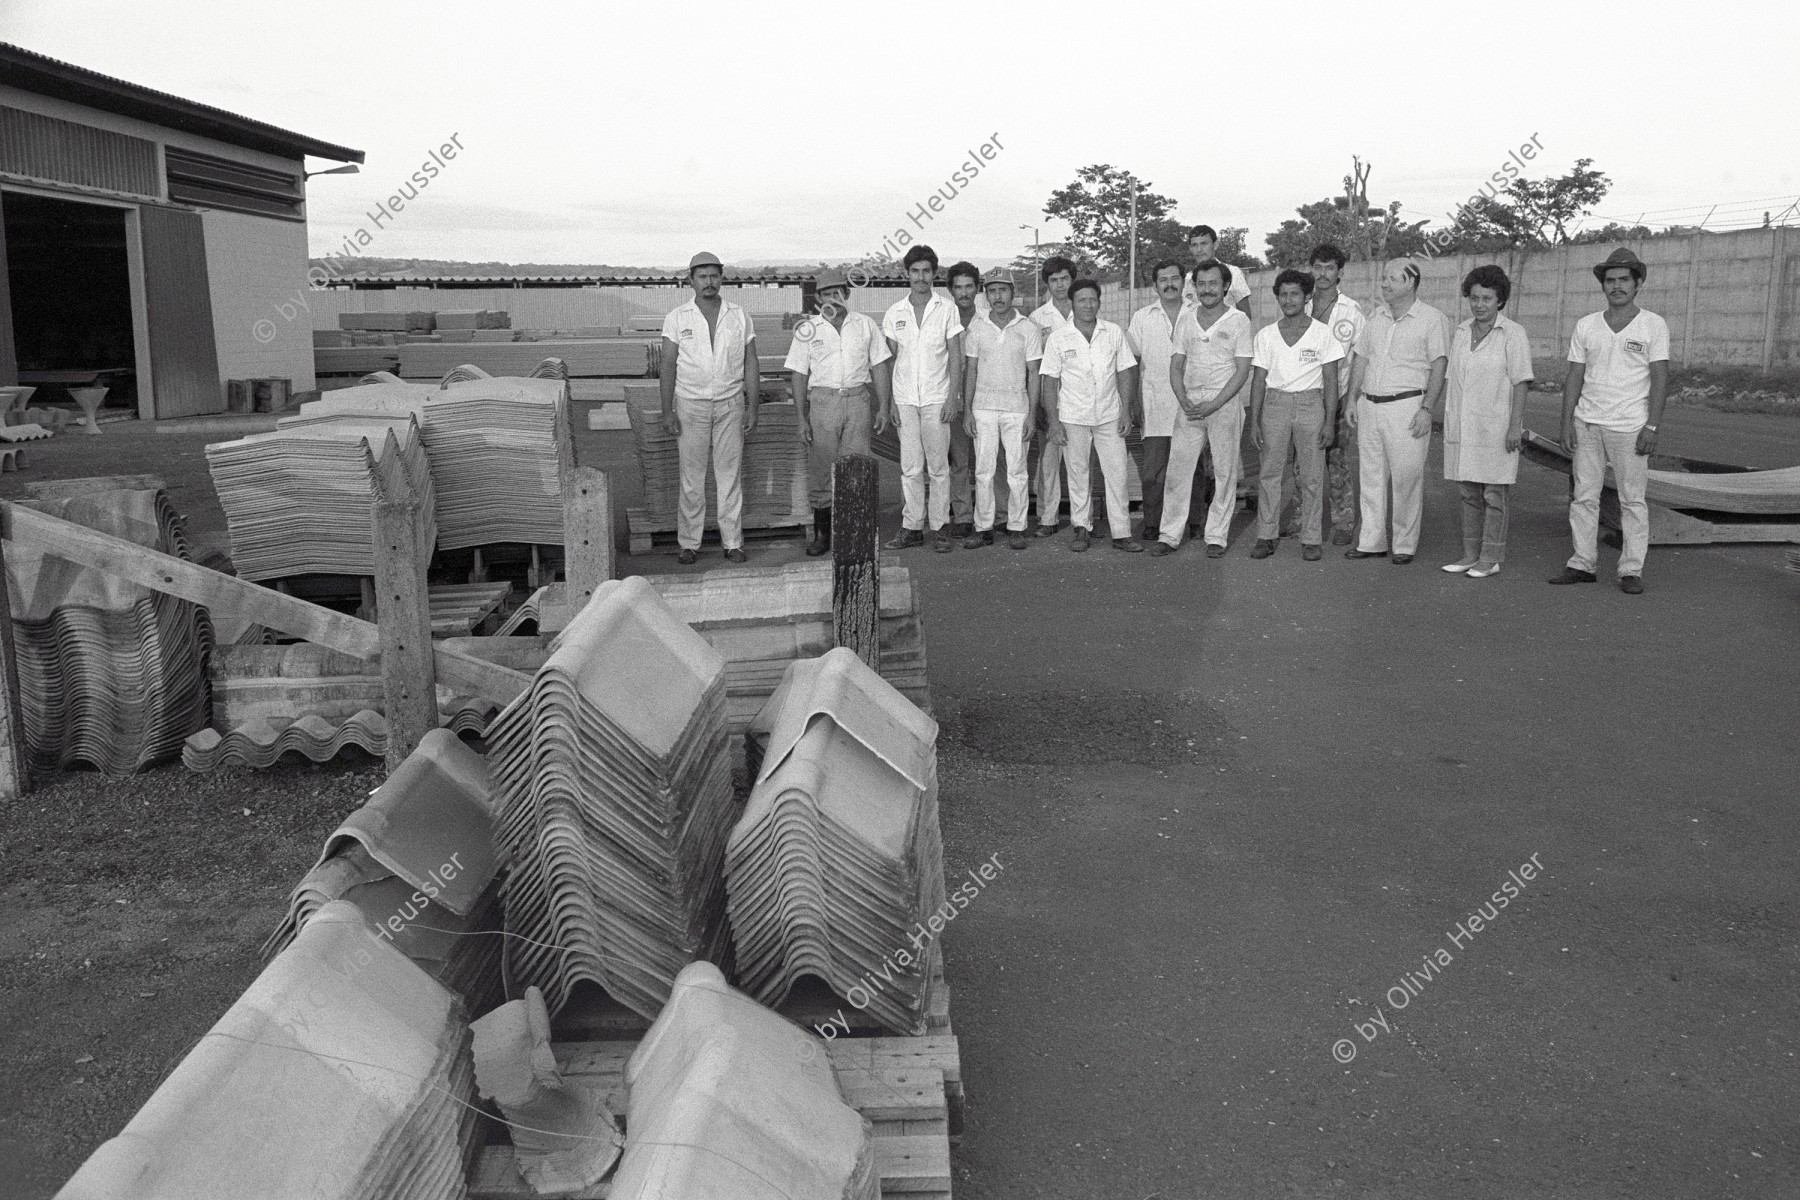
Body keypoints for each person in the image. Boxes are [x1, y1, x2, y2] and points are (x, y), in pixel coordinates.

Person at [1550, 247, 1669, 594]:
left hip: (1630, 426)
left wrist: (1652, 426)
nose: (1616, 286)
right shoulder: (1586, 325)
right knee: (1584, 497)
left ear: (1638, 283)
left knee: (1633, 500)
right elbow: (1574, 376)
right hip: (1588, 424)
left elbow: (1660, 378)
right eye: (1610, 280)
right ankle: (1582, 563)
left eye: (1624, 280)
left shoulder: (1652, 325)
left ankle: (1631, 570)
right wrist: (1566, 422)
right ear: (1603, 285)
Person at [1345, 260, 1448, 565]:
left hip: (1407, 406)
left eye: (1392, 278)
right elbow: (1361, 359)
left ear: (1411, 281)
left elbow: (1439, 365)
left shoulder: (1432, 319)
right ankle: (1371, 541)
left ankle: (1404, 544)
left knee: (1406, 478)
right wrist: (1352, 400)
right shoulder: (1375, 317)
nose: (1385, 284)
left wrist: (1427, 409)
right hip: (1370, 406)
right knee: (1371, 477)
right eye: (1384, 278)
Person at [785, 266, 894, 556]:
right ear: (818, 300)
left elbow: (880, 365)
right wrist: (801, 417)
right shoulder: (807, 330)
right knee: (821, 467)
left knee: (856, 467)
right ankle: (823, 533)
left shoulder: (865, 325)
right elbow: (798, 373)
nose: (831, 299)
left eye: (836, 293)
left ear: (846, 294)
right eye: (824, 295)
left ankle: (854, 531)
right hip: (823, 403)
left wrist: (884, 406)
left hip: (858, 400)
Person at [660, 251, 759, 566]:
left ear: (722, 278)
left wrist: (752, 406)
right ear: (690, 280)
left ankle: (732, 542)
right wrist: (667, 410)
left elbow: (751, 362)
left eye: (714, 275)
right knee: (692, 477)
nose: (709, 282)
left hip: (730, 403)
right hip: (691, 404)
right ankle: (689, 543)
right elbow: (667, 365)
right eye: (702, 276)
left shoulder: (739, 315)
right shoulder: (678, 318)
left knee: (729, 475)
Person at [1156, 260, 1254, 557]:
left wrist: (1215, 403)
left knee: (1225, 472)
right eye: (1202, 284)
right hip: (1190, 403)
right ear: (1194, 287)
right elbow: (1175, 365)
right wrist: (1183, 399)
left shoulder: (1239, 321)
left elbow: (1242, 370)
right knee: (1178, 471)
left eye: (1214, 284)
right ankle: (1169, 535)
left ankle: (1216, 536)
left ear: (1226, 286)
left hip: (1223, 403)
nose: (1208, 290)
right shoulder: (1186, 320)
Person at [1442, 264, 1532, 578]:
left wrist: (1514, 426)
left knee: (1493, 495)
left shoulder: (1513, 333)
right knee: (1468, 493)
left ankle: (1490, 558)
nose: (1480, 305)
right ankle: (1469, 555)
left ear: (1500, 301)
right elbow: (1453, 379)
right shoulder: (1462, 331)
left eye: (1488, 299)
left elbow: (1521, 382)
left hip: (1496, 427)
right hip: (1464, 425)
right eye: (1475, 298)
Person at [1039, 279, 1142, 553]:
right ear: (1072, 303)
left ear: (1099, 301)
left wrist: (1126, 411)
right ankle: (1081, 528)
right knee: (1078, 474)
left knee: (1117, 473)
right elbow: (1049, 381)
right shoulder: (1058, 338)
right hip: (1073, 416)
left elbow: (1125, 372)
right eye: (1082, 300)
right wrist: (1053, 420)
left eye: (1093, 299)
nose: (1088, 305)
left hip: (1109, 415)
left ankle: (1121, 533)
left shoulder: (1113, 332)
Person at [1247, 269, 1342, 560]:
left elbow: (1331, 381)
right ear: (1277, 297)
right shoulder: (1266, 335)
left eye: (1295, 294)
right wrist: (1255, 420)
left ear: (1307, 297)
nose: (1289, 300)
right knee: (1270, 473)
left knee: (1312, 475)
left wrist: (1329, 420)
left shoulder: (1322, 333)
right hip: (1275, 405)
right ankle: (1266, 534)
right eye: (1283, 294)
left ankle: (1311, 537)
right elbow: (1258, 380)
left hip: (1310, 405)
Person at [881, 244, 965, 553]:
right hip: (905, 399)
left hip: (936, 398)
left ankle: (941, 527)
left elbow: (956, 356)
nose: (921, 277)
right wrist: (890, 402)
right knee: (911, 467)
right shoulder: (895, 313)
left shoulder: (946, 309)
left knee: (939, 466)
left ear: (934, 273)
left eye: (926, 271)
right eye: (915, 271)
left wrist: (953, 397)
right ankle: (912, 527)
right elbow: (889, 361)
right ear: (907, 274)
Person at [960, 268, 1043, 550]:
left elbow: (1034, 373)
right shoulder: (977, 326)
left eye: (1003, 290)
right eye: (992, 291)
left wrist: (1031, 413)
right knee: (983, 471)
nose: (998, 296)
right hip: (983, 408)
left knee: (1017, 471)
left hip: (1016, 409)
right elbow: (970, 370)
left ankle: (1017, 526)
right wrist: (968, 411)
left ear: (1012, 292)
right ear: (986, 294)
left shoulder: (1027, 328)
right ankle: (983, 527)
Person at [1126, 260, 1205, 543]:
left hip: (1192, 404)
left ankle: (1194, 522)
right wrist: (1133, 402)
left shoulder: (1198, 314)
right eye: (1163, 279)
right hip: (1154, 405)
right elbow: (1131, 364)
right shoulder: (1143, 317)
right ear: (1155, 285)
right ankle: (1153, 522)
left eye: (1175, 278)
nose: (1169, 284)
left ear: (1184, 282)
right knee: (1153, 473)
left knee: (1193, 469)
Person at [1309, 244, 1366, 545]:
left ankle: (1343, 521)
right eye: (1318, 267)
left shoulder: (1351, 311)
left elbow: (1360, 357)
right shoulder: (1301, 304)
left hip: (1340, 393)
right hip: (1305, 394)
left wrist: (1352, 399)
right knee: (1302, 461)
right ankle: (1302, 518)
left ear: (1340, 272)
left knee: (1338, 460)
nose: (1323, 273)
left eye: (1329, 268)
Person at [1027, 255, 1077, 537]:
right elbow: (1033, 366)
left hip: (1080, 397)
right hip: (1050, 398)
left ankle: (1083, 519)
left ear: (1072, 279)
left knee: (1080, 460)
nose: (1060, 285)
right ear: (1047, 284)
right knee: (1049, 461)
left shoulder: (1084, 308)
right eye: (1054, 280)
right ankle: (1048, 518)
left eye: (1064, 279)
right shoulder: (1038, 318)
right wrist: (1040, 407)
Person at [944, 261, 983, 537]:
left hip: (987, 400)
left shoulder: (990, 320)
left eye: (969, 286)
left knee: (989, 461)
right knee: (959, 461)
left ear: (977, 289)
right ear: (950, 290)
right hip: (955, 400)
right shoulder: (943, 321)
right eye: (958, 287)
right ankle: (963, 516)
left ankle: (993, 515)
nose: (964, 293)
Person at [1181, 225, 1252, 316]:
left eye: (1204, 244)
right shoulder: (1187, 279)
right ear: (1190, 248)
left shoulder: (1233, 273)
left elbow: (1245, 314)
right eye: (1194, 245)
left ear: (1215, 245)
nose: (1199, 250)